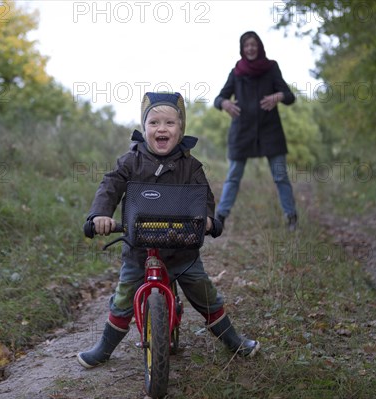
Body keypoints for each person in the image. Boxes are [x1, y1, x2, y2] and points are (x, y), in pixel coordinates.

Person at [77, 92, 260, 368]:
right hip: (139, 249)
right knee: (125, 296)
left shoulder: (191, 166)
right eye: (154, 123)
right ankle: (104, 348)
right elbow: (110, 186)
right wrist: (100, 215)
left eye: (170, 123)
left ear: (181, 127)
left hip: (181, 250)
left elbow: (204, 198)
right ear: (144, 126)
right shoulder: (131, 161)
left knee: (204, 291)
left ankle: (232, 340)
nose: (161, 129)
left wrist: (208, 220)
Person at [214, 31, 298, 231]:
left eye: (254, 45)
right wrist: (225, 103)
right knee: (233, 176)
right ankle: (220, 217)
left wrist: (277, 96)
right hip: (242, 131)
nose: (250, 48)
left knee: (280, 176)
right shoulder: (236, 72)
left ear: (259, 47)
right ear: (242, 49)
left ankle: (291, 217)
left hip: (270, 130)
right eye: (246, 45)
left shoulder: (271, 68)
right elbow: (219, 98)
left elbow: (289, 96)